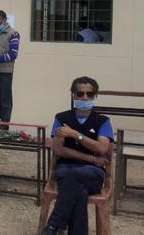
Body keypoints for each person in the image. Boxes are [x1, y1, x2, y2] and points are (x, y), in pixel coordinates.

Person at [40, 76, 114, 235]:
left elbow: (102, 148)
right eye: (80, 94)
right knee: (78, 190)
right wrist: (92, 159)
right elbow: (58, 150)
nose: (85, 97)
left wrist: (75, 134)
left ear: (95, 96)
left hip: (92, 175)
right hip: (67, 171)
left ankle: (53, 226)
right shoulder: (61, 118)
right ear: (73, 95)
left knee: (73, 179)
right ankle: (55, 227)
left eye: (89, 94)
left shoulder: (102, 121)